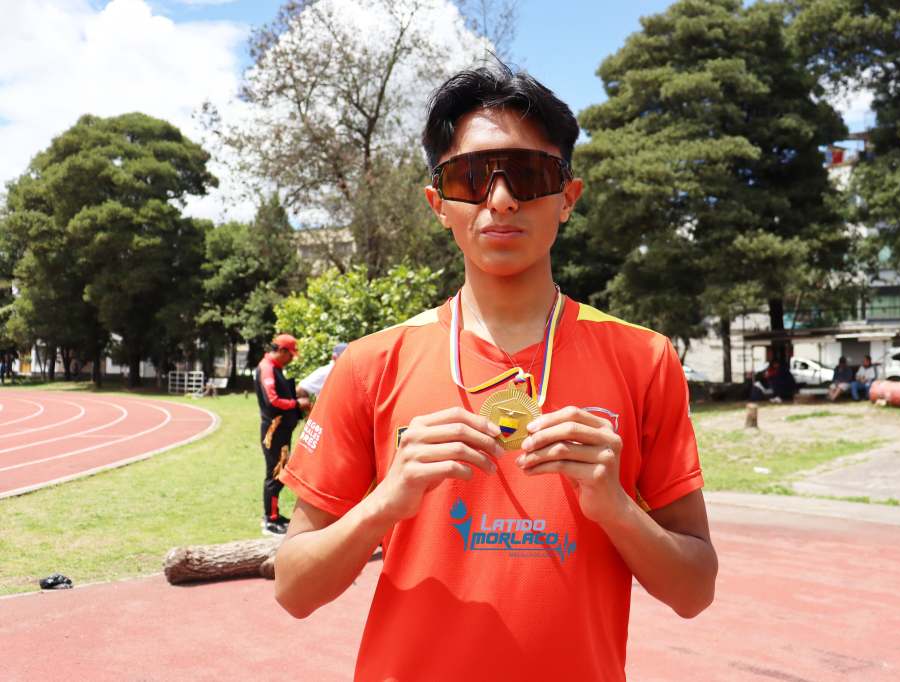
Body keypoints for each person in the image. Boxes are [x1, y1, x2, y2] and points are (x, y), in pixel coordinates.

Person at [275, 61, 718, 681]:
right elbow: (294, 589)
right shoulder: (371, 364)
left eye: (530, 175)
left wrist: (616, 506)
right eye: (472, 177)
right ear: (439, 204)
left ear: (568, 198)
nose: (501, 199)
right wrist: (386, 502)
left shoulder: (644, 358)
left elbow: (695, 590)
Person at [255, 333, 310, 535]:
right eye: (290, 355)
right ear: (282, 350)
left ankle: (274, 514)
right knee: (274, 473)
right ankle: (270, 519)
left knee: (280, 471)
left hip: (281, 430)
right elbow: (273, 401)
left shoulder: (275, 368)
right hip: (273, 431)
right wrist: (297, 403)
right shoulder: (267, 368)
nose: (291, 359)